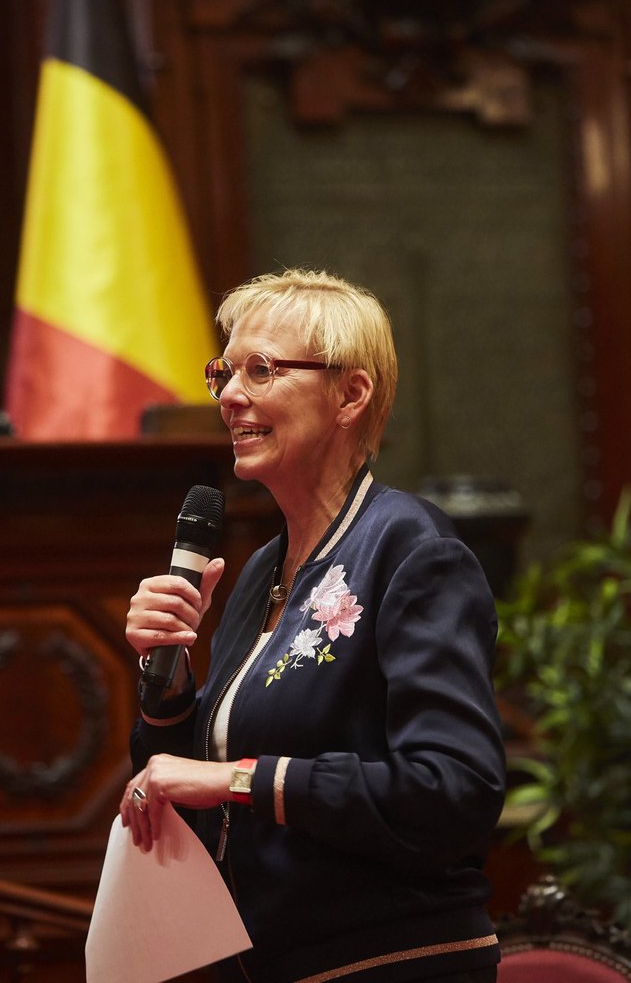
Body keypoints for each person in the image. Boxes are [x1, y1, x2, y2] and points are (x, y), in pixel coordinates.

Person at [121, 267, 506, 983]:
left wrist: (237, 780)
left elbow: (453, 790)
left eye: (262, 370)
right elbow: (197, 792)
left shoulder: (411, 549)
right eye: (224, 373)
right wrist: (165, 677)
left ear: (350, 395)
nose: (229, 396)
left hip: (393, 963)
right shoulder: (257, 573)